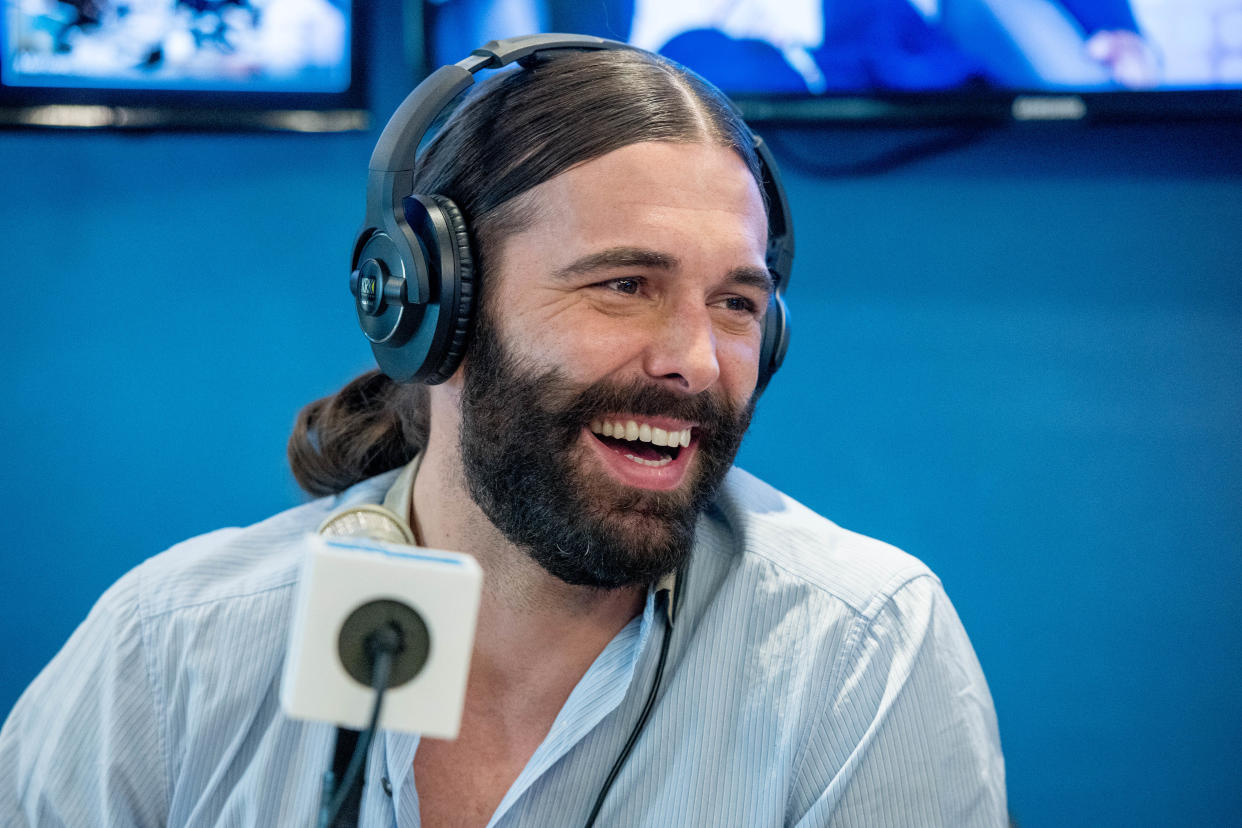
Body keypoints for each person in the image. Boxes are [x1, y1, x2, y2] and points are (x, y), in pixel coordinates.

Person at [0, 40, 1006, 826]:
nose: (697, 362)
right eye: (625, 285)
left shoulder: (860, 654)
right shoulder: (170, 651)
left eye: (738, 305)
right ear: (435, 306)